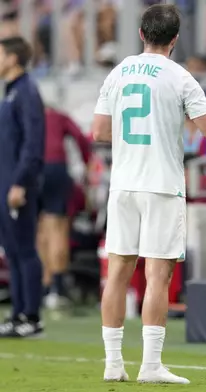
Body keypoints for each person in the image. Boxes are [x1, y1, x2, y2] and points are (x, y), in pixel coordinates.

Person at [91, 4, 206, 384]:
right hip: (162, 184)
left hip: (124, 184)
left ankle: (113, 364)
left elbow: (99, 132)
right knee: (158, 274)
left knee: (117, 272)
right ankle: (150, 366)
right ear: (176, 39)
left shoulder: (118, 72)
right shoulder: (180, 77)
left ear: (141, 34)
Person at [0, 37, 46, 338]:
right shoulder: (10, 93)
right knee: (12, 251)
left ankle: (32, 315)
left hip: (19, 184)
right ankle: (17, 313)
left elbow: (32, 142)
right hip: (6, 182)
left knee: (26, 249)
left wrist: (20, 182)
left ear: (13, 58)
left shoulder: (27, 92)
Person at [39, 106, 92, 309]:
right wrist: (87, 163)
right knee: (58, 229)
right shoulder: (58, 116)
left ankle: (44, 285)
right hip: (54, 168)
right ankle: (57, 288)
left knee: (39, 231)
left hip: (29, 170)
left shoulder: (25, 114)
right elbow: (81, 138)